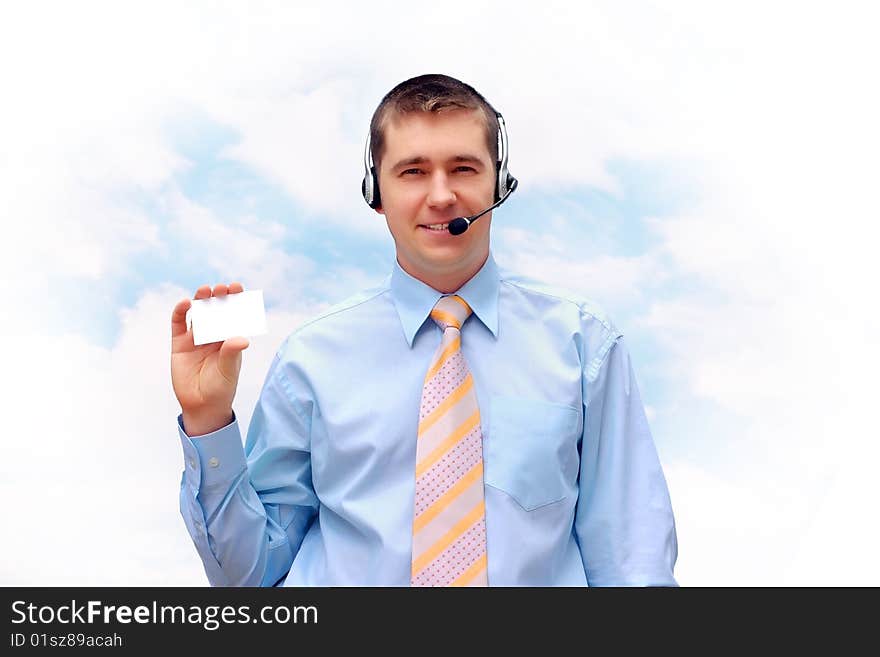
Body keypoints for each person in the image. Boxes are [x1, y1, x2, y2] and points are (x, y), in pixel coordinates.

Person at [170, 73, 678, 586]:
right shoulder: (311, 357)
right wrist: (207, 418)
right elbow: (249, 577)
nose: (441, 196)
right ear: (376, 192)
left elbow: (633, 559)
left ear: (498, 183)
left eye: (463, 168)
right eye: (413, 171)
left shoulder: (584, 342)